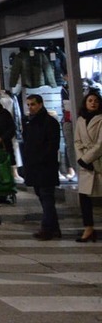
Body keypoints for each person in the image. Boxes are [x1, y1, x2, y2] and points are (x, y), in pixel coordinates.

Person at [20, 94, 61, 240]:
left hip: (45, 166)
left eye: (33, 104)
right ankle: (54, 228)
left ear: (40, 104)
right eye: (29, 105)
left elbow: (52, 145)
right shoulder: (29, 122)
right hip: (34, 167)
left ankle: (47, 228)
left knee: (46, 197)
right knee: (43, 197)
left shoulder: (49, 122)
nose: (30, 107)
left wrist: (40, 159)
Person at [73, 91, 101, 243]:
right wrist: (81, 159)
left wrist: (88, 158)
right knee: (84, 197)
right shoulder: (80, 120)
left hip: (98, 161)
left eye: (96, 100)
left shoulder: (101, 119)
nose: (93, 103)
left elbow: (100, 144)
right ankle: (88, 228)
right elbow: (77, 141)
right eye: (90, 100)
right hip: (85, 165)